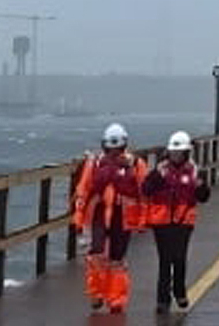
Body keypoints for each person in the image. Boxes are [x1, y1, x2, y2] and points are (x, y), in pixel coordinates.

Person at [71, 123, 147, 313]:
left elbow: (144, 192)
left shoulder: (136, 164)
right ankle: (97, 294)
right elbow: (83, 189)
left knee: (117, 259)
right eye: (110, 148)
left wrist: (143, 219)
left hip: (123, 216)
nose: (114, 152)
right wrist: (79, 217)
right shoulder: (94, 163)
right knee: (95, 254)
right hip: (98, 214)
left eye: (117, 147)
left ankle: (116, 300)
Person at [142, 130, 210, 312]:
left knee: (179, 257)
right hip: (161, 221)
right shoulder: (160, 170)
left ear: (187, 153)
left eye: (179, 153)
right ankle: (162, 300)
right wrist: (157, 177)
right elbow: (146, 189)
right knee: (165, 260)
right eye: (173, 152)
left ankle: (179, 292)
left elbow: (204, 197)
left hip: (184, 220)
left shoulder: (195, 171)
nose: (176, 156)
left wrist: (200, 186)